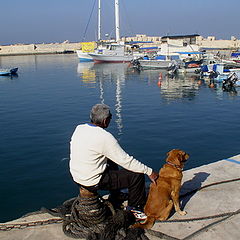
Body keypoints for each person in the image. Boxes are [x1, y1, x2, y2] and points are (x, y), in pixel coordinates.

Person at [69, 103, 159, 219]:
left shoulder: (79, 128)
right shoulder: (104, 137)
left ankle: (116, 195)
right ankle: (134, 208)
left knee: (111, 161)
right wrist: (149, 171)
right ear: (105, 121)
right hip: (92, 181)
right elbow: (127, 161)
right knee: (136, 175)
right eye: (110, 118)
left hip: (77, 176)